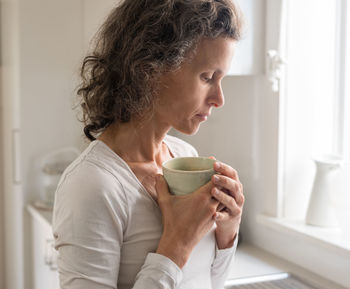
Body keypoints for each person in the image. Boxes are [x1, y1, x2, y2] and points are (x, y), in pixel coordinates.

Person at [52, 0, 244, 288]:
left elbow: (208, 281)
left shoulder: (184, 157)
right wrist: (176, 245)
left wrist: (227, 231)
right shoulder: (92, 186)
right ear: (150, 69)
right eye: (207, 77)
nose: (219, 98)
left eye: (221, 79)